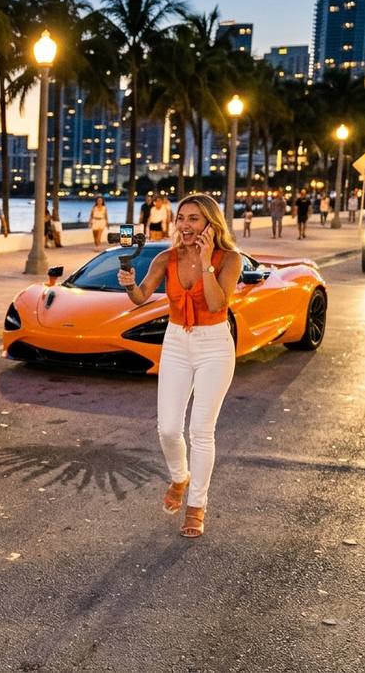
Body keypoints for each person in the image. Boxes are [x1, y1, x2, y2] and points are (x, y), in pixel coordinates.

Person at [117, 194, 241, 539]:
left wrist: (206, 262)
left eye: (194, 219)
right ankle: (179, 477)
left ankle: (196, 504)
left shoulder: (229, 259)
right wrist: (129, 286)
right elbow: (142, 296)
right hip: (175, 342)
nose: (185, 225)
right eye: (182, 218)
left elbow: (217, 304)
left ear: (210, 225)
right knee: (169, 428)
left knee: (201, 430)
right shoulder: (165, 258)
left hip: (214, 344)